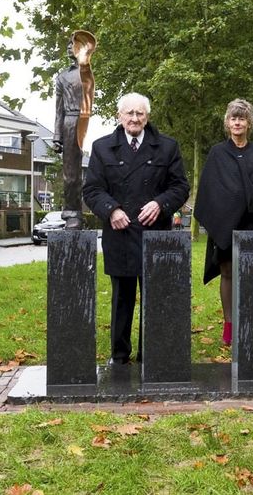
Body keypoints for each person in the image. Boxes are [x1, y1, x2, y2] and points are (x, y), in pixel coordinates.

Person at [83, 93, 190, 364]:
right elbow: (92, 190)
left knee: (156, 298)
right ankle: (119, 356)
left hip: (156, 236)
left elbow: (180, 187)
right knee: (122, 298)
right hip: (119, 234)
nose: (134, 118)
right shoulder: (102, 147)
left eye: (139, 114)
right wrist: (112, 210)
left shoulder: (167, 147)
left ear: (147, 117)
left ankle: (151, 354)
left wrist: (160, 203)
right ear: (119, 116)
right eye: (129, 113)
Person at [194, 99, 253, 346]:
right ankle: (229, 324)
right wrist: (231, 204)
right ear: (227, 123)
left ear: (249, 123)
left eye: (242, 118)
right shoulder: (219, 152)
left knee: (251, 273)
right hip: (225, 223)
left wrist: (249, 200)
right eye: (233, 118)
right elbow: (211, 189)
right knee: (227, 272)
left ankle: (250, 322)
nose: (237, 122)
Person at [51, 30, 96, 230]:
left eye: (74, 43)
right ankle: (71, 213)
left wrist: (85, 56)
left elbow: (88, 84)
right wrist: (57, 136)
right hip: (68, 121)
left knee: (78, 171)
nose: (69, 46)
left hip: (83, 117)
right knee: (69, 172)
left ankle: (77, 213)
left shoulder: (85, 71)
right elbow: (58, 109)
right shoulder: (61, 77)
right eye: (68, 44)